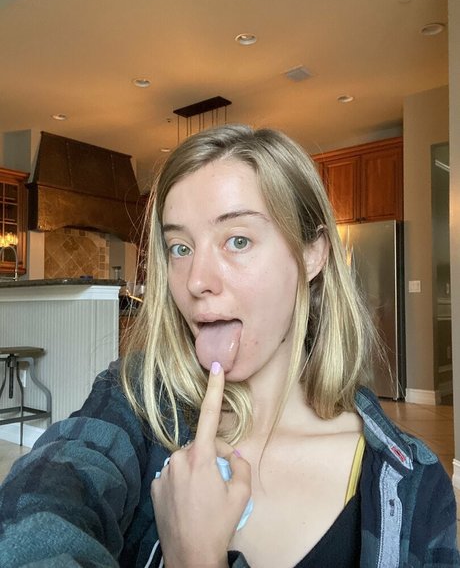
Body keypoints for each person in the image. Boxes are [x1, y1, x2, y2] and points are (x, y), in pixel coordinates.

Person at [0, 124, 458, 568]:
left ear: (312, 254)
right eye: (180, 248)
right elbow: (40, 508)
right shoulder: (135, 402)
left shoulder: (411, 485)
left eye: (238, 240)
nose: (196, 281)